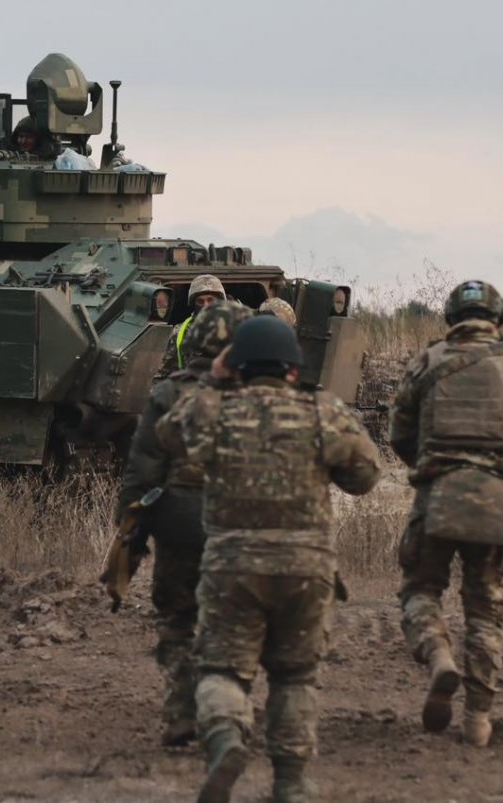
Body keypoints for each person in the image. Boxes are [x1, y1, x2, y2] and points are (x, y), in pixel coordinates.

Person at [158, 316, 381, 803]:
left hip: (232, 566)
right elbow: (364, 477)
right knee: (296, 676)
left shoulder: (219, 411)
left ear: (235, 367)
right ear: (294, 370)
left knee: (221, 670)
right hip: (306, 567)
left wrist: (214, 381)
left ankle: (225, 740)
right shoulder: (323, 411)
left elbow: (169, 435)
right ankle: (292, 783)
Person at [388, 280, 503, 747]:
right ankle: (478, 720)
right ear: (498, 317)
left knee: (420, 591)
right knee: (485, 608)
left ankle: (438, 657)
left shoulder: (427, 363)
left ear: (451, 318)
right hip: (496, 497)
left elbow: (399, 434)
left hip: (438, 496)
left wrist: (430, 465)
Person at [117, 300, 255, 748]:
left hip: (179, 521)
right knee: (232, 620)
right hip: (238, 526)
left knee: (178, 618)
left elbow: (141, 473)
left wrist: (131, 536)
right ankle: (226, 712)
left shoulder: (167, 395)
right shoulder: (255, 397)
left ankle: (181, 712)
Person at [154, 274, 227, 381]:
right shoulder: (180, 332)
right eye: (200, 301)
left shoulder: (236, 328)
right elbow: (164, 374)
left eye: (210, 300)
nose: (205, 305)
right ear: (194, 304)